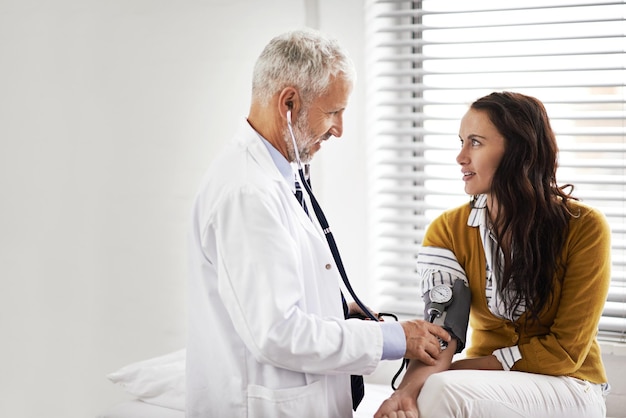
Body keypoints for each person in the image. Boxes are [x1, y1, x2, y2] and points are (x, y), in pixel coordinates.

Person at [186, 29, 450, 418]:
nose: (339, 129)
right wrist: (393, 338)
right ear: (289, 103)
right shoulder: (247, 192)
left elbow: (276, 289)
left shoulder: (281, 176)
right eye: (333, 112)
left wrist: (339, 310)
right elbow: (277, 333)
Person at [374, 91, 611, 418]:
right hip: (487, 384)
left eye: (475, 142)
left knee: (442, 388)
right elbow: (443, 332)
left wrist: (458, 370)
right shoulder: (448, 230)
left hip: (570, 385)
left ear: (518, 150)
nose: (460, 157)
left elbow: (564, 353)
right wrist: (404, 394)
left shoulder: (584, 227)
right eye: (460, 142)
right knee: (429, 390)